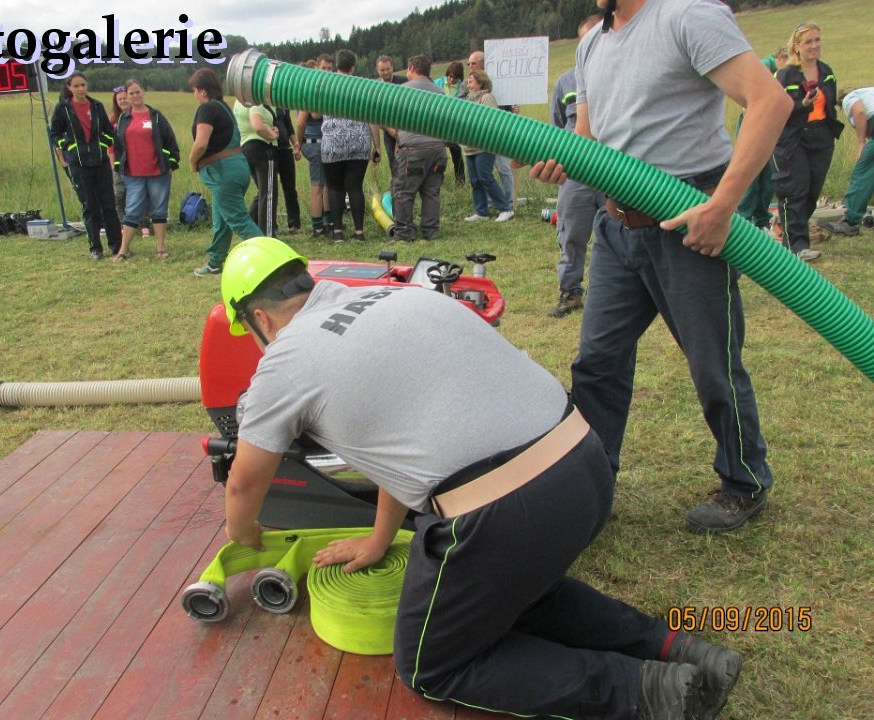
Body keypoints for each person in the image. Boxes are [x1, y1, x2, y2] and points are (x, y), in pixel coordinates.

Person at [217, 235, 744, 720]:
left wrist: (244, 535)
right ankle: (682, 650)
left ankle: (643, 690)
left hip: (507, 511)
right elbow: (400, 446)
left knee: (431, 665)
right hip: (585, 464)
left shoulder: (285, 360)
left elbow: (244, 483)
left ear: (259, 318)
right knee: (513, 592)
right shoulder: (396, 297)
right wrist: (380, 540)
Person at [530, 0, 791, 533]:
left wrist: (721, 207)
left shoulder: (687, 16)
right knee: (597, 365)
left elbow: (770, 101)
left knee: (713, 365)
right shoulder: (592, 42)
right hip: (615, 225)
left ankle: (745, 482)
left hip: (688, 224)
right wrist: (558, 158)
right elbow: (588, 140)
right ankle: (592, 487)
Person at [547, 14, 605, 319]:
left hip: (617, 173)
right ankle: (570, 292)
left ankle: (614, 295)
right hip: (576, 174)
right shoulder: (566, 82)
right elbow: (557, 129)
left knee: (621, 235)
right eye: (585, 41)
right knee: (571, 234)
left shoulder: (621, 74)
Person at [772, 22, 843, 262]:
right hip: (793, 138)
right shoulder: (786, 75)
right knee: (795, 190)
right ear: (796, 46)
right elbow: (774, 107)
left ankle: (787, 233)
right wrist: (801, 105)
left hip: (822, 137)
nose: (814, 46)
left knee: (812, 191)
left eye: (817, 40)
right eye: (808, 41)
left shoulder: (827, 72)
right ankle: (797, 246)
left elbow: (830, 103)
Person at [188, 68, 262, 277]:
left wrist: (192, 162)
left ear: (203, 91)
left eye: (195, 90)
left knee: (239, 220)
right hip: (237, 165)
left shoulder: (207, 109)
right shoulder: (223, 108)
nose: (194, 94)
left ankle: (274, 259)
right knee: (221, 218)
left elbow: (201, 143)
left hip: (222, 171)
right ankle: (215, 262)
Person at [50, 71, 122, 260]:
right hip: (79, 164)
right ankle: (95, 248)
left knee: (109, 205)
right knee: (89, 206)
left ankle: (117, 246)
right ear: (69, 88)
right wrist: (68, 146)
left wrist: (103, 144)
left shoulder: (96, 106)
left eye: (83, 85)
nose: (81, 89)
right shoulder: (63, 108)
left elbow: (109, 131)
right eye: (76, 86)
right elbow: (54, 133)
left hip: (100, 162)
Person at [111, 79, 179, 261]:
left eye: (137, 92)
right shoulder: (123, 118)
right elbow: (117, 145)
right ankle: (123, 250)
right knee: (132, 210)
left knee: (159, 210)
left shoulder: (155, 116)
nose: (135, 96)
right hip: (133, 175)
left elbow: (170, 140)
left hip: (158, 173)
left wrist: (171, 163)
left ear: (143, 92)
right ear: (127, 96)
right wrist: (118, 164)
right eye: (131, 93)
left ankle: (161, 247)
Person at [321, 50, 381, 243]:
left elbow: (314, 113)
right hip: (359, 142)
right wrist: (377, 146)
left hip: (333, 143)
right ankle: (359, 232)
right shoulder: (362, 87)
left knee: (335, 188)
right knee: (355, 187)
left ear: (336, 65)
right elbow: (372, 118)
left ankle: (337, 232)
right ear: (353, 67)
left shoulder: (325, 85)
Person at [391, 55, 447, 242]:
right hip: (438, 149)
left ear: (412, 68)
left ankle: (404, 232)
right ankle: (431, 231)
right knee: (431, 192)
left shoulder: (403, 90)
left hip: (413, 150)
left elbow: (395, 119)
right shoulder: (439, 92)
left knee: (404, 192)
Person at [736, 47, 788, 230]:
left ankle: (761, 218)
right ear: (780, 57)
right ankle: (744, 218)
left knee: (768, 175)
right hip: (754, 123)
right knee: (751, 173)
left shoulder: (785, 73)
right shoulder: (765, 66)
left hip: (770, 123)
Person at [462, 70, 514, 223]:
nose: (468, 85)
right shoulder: (468, 100)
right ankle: (481, 212)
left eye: (471, 82)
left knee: (485, 177)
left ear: (481, 83)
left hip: (484, 146)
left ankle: (505, 208)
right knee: (475, 180)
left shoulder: (486, 98)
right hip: (470, 148)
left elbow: (491, 121)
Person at [468, 50, 516, 209]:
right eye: (468, 64)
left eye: (473, 63)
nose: (470, 66)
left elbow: (503, 108)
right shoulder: (470, 86)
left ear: (483, 63)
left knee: (503, 168)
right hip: (477, 141)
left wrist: (513, 110)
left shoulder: (496, 83)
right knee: (482, 174)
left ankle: (508, 203)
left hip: (497, 135)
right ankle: (488, 204)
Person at [826, 86, 874, 236]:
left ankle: (850, 221)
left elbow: (859, 112)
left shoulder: (849, 98)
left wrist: (861, 143)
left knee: (862, 173)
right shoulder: (869, 93)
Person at [295, 54, 334, 237]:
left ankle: (328, 222)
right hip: (313, 142)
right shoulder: (309, 89)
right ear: (317, 67)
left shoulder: (316, 88)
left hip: (319, 141)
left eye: (329, 69)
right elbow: (303, 121)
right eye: (323, 68)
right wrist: (298, 143)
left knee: (325, 185)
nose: (326, 72)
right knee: (317, 186)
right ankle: (318, 227)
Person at [233, 98, 279, 237]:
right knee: (269, 193)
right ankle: (268, 235)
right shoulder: (254, 100)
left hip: (246, 148)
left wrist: (269, 128)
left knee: (262, 192)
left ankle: (251, 229)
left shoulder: (238, 102)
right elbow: (257, 125)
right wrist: (271, 135)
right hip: (261, 148)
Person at [433, 61, 468, 186]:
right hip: (438, 126)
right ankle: (436, 181)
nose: (452, 79)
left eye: (455, 78)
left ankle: (460, 182)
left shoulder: (462, 88)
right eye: (450, 76)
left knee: (456, 153)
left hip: (453, 127)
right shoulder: (437, 83)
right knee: (437, 155)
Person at [376, 55, 408, 177]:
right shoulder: (376, 89)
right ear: (377, 70)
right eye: (382, 70)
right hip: (388, 133)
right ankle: (396, 186)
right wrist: (390, 130)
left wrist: (399, 132)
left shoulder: (404, 82)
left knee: (408, 163)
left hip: (406, 131)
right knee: (393, 163)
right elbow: (375, 114)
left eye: (388, 69)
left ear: (392, 67)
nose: (386, 72)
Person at [273, 107, 302, 234]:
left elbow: (288, 124)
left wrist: (296, 144)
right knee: (271, 190)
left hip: (285, 149)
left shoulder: (282, 104)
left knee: (290, 188)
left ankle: (294, 224)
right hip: (270, 149)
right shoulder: (261, 104)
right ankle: (272, 225)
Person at [109, 86, 131, 223]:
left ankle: (139, 221)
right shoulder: (112, 121)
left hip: (134, 161)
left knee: (134, 192)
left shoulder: (138, 115)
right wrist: (112, 164)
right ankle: (121, 222)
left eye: (125, 98)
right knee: (118, 193)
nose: (123, 101)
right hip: (118, 162)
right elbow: (110, 145)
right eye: (120, 99)